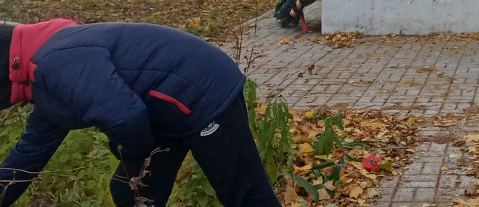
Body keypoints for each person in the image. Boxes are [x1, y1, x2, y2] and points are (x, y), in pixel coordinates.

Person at [0, 19, 281, 206]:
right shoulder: (45, 76)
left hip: (200, 91)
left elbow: (125, 117)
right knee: (131, 192)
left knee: (246, 195)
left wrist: (131, 158)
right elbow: (25, 160)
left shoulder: (56, 63)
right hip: (163, 111)